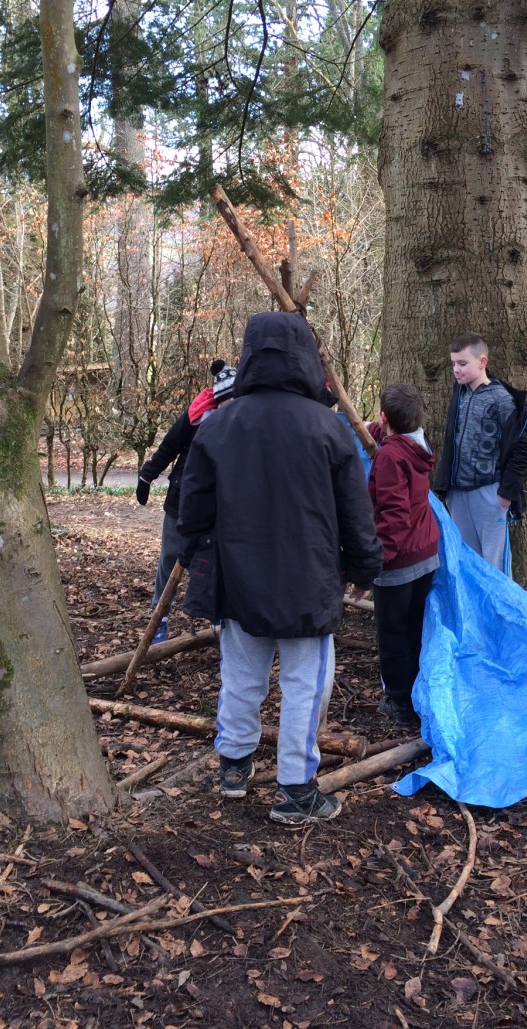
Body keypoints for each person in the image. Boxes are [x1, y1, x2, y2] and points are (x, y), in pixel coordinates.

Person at [177, 311, 382, 826]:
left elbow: (192, 508)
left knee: (241, 677)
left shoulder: (219, 425)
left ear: (249, 355)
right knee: (304, 684)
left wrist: (194, 555)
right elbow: (356, 512)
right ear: (305, 358)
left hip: (240, 577)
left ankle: (234, 766)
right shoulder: (328, 428)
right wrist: (365, 568)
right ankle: (294, 789)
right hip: (306, 579)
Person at [352, 384, 440, 728]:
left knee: (392, 633)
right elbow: (392, 437)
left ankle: (400, 700)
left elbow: (393, 517)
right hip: (425, 554)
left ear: (385, 417)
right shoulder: (419, 444)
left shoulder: (390, 457)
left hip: (399, 562)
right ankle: (417, 691)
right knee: (414, 628)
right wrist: (374, 428)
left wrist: (372, 567)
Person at [136, 360, 237, 639]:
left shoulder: (244, 423)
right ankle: (159, 616)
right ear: (218, 400)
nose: (231, 405)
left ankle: (219, 617)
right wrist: (147, 476)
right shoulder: (196, 418)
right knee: (171, 556)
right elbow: (169, 445)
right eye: (226, 400)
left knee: (219, 560)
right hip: (181, 498)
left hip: (222, 506)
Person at [434, 332, 527, 573]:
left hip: (489, 495)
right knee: (466, 564)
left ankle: (496, 602)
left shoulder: (502, 399)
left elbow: (522, 449)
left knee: (493, 568)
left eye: (462, 363)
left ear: (483, 362)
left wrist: (505, 495)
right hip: (457, 494)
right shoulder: (460, 394)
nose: (456, 370)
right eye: (453, 364)